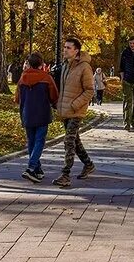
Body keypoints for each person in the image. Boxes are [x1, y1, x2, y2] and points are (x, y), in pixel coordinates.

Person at [54, 36, 96, 188]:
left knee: (68, 141)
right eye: (64, 47)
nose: (65, 50)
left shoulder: (84, 67)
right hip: (66, 109)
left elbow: (90, 90)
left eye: (68, 48)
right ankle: (88, 164)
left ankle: (65, 174)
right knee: (75, 141)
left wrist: (75, 104)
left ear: (76, 51)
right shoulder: (65, 65)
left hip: (77, 110)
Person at [16, 52, 58, 183]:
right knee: (39, 141)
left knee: (31, 141)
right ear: (41, 64)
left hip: (27, 113)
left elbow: (17, 98)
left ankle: (37, 170)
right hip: (42, 113)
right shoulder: (46, 78)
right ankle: (31, 167)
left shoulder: (22, 78)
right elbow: (54, 96)